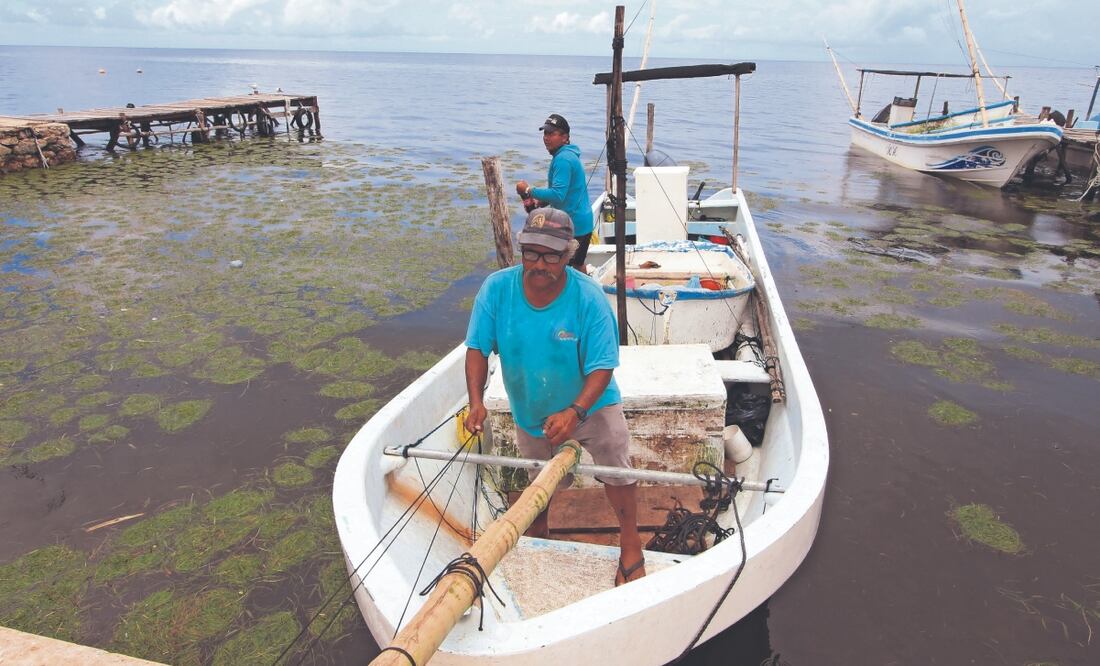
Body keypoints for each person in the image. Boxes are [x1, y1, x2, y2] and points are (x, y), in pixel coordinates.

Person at [463, 207, 645, 586]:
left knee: (616, 469)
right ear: (521, 251)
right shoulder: (496, 290)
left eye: (551, 256)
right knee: (539, 479)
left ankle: (631, 543)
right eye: (531, 253)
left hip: (592, 405)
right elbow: (478, 349)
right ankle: (539, 531)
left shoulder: (589, 298)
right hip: (532, 410)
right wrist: (476, 400)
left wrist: (575, 412)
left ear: (568, 255)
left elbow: (602, 366)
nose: (539, 264)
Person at [515, 113, 595, 270]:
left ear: (565, 137)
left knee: (566, 269)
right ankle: (584, 291)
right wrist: (542, 201)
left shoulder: (563, 160)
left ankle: (575, 293)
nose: (546, 138)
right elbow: (567, 190)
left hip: (573, 225)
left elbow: (558, 195)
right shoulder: (567, 155)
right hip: (583, 220)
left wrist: (529, 190)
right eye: (545, 133)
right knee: (578, 265)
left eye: (551, 134)